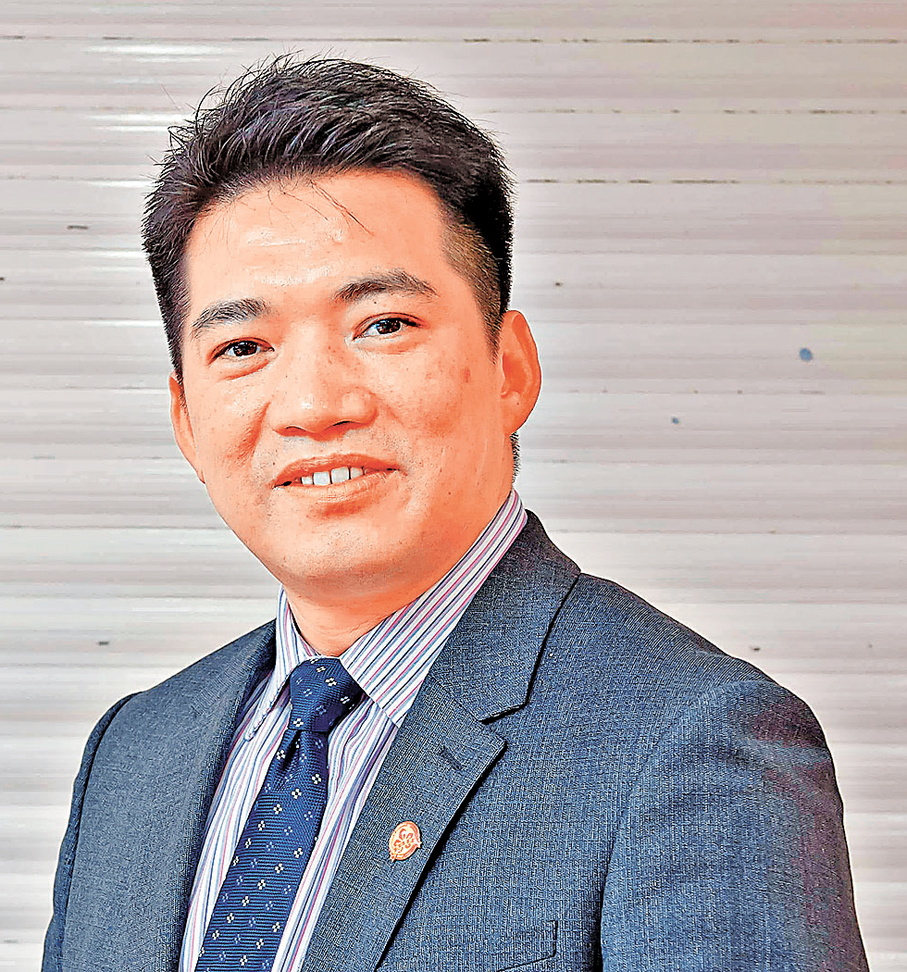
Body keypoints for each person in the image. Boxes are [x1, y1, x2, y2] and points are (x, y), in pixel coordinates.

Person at [43, 56, 868, 972]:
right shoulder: (136, 753)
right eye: (243, 346)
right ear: (186, 422)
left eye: (383, 324)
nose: (313, 404)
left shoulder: (693, 742)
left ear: (511, 369)